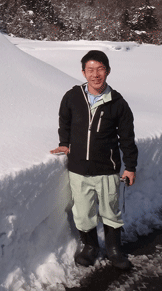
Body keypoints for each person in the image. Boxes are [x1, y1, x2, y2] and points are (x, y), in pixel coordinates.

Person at [51, 50, 138, 270]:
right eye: (90, 70)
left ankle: (114, 250)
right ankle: (90, 248)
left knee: (110, 211)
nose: (95, 74)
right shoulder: (72, 96)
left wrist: (130, 167)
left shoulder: (118, 103)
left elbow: (127, 137)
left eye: (100, 69)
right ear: (83, 72)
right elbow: (65, 121)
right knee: (82, 212)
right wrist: (64, 142)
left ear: (107, 71)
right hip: (79, 169)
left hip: (107, 169)